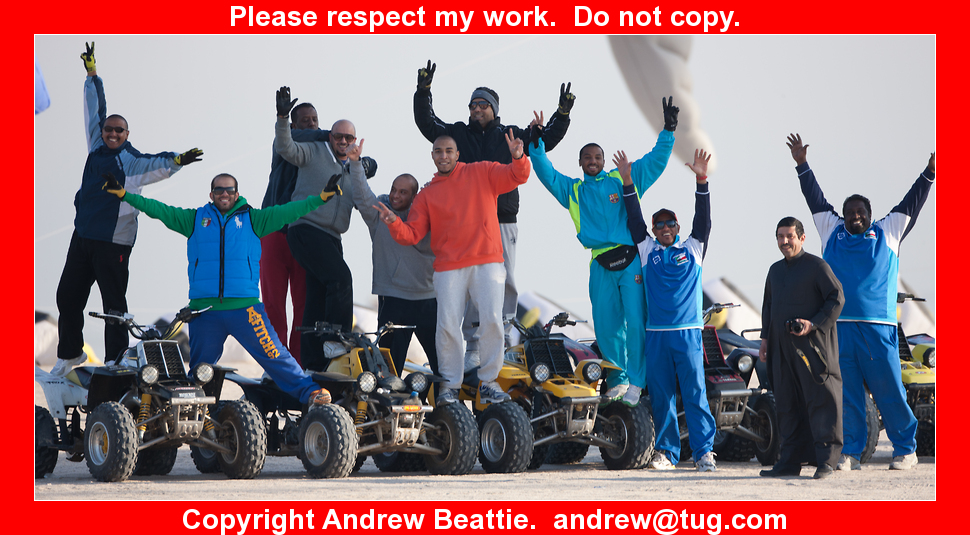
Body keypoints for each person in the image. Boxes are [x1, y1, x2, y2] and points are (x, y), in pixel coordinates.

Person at [102, 172, 335, 406]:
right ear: (211, 194)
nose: (225, 193)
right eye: (219, 190)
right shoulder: (195, 220)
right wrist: (125, 195)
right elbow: (159, 209)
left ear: (237, 193)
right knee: (199, 372)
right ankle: (195, 419)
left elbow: (291, 210)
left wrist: (321, 198)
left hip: (246, 310)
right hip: (205, 313)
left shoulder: (255, 219)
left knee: (275, 355)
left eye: (229, 189)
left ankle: (311, 393)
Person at [51, 41, 204, 377]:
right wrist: (92, 75)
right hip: (83, 236)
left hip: (114, 242)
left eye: (118, 130)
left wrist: (178, 160)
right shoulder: (96, 145)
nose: (112, 133)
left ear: (127, 134)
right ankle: (70, 354)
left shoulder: (131, 162)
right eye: (109, 129)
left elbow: (157, 164)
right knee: (67, 296)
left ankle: (115, 359)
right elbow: (95, 109)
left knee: (114, 305)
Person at [788, 133, 935, 471]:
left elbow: (913, 201)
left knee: (889, 389)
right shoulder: (832, 230)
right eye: (849, 212)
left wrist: (930, 172)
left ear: (870, 214)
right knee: (848, 392)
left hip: (877, 327)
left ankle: (905, 449)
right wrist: (802, 165)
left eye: (860, 212)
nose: (854, 216)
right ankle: (851, 452)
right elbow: (814, 198)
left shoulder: (889, 231)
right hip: (839, 328)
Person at [412, 60, 574, 368]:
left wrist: (562, 114)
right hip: (467, 221)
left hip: (502, 219)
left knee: (505, 279)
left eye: (483, 104)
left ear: (494, 109)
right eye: (473, 105)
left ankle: (505, 340)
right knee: (471, 282)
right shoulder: (457, 134)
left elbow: (545, 140)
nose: (477, 109)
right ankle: (474, 346)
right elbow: (428, 125)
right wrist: (423, 92)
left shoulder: (510, 135)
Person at [529, 97, 678, 406]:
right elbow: (546, 173)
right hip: (599, 263)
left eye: (597, 156)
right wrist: (536, 143)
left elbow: (655, 161)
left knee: (635, 322)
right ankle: (618, 380)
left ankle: (637, 382)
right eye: (587, 157)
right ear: (580, 163)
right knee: (607, 327)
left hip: (630, 259)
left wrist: (669, 130)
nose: (593, 161)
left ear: (604, 160)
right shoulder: (574, 191)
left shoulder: (622, 178)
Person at [375, 133, 530, 405]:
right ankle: (449, 386)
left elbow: (517, 176)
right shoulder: (426, 195)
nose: (443, 156)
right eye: (438, 151)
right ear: (432, 156)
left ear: (458, 154)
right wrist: (393, 222)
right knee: (447, 326)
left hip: (487, 262)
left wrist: (518, 157)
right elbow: (412, 234)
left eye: (449, 151)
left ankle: (489, 382)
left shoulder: (482, 171)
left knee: (492, 321)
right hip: (448, 268)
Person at [620, 148, 717, 472]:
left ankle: (704, 452)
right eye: (659, 224)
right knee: (662, 396)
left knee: (695, 393)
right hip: (657, 335)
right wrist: (627, 182)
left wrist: (701, 182)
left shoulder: (693, 248)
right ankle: (667, 453)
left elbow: (704, 220)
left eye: (670, 223)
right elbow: (634, 219)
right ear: (653, 229)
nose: (664, 228)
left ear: (677, 227)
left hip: (688, 333)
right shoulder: (647, 250)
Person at [260, 101, 377, 364]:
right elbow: (285, 145)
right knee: (277, 303)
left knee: (310, 299)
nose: (312, 125)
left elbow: (363, 193)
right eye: (306, 120)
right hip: (284, 227)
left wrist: (364, 163)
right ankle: (278, 361)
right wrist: (283, 118)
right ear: (295, 125)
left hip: (325, 236)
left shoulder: (344, 162)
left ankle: (306, 361)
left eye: (315, 120)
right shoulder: (309, 148)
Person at [759, 217, 845, 479]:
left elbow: (837, 298)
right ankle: (789, 461)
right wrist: (765, 339)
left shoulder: (817, 266)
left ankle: (826, 461)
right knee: (786, 403)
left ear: (802, 238)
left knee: (822, 401)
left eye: (790, 236)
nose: (784, 241)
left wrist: (813, 324)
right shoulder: (774, 271)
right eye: (780, 236)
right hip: (781, 349)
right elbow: (768, 307)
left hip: (812, 348)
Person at [349, 154, 438, 377]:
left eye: (403, 192)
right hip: (393, 299)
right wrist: (356, 164)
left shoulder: (429, 215)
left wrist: (435, 193)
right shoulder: (379, 213)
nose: (396, 195)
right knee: (389, 371)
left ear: (414, 196)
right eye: (393, 190)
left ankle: (446, 399)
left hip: (428, 299)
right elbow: (361, 194)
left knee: (442, 365)